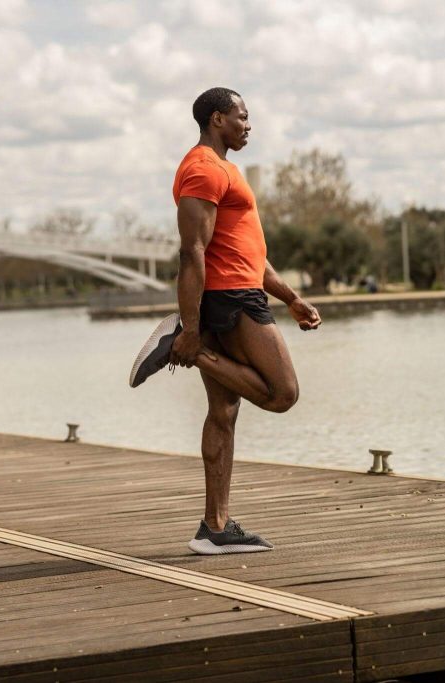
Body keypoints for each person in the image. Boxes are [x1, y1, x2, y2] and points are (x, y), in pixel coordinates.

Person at [129, 87, 321, 555]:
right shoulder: (203, 169)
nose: (248, 125)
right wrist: (193, 329)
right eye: (242, 116)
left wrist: (291, 298)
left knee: (224, 413)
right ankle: (189, 349)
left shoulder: (224, 170)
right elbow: (191, 251)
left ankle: (214, 527)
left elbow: (248, 251)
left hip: (239, 291)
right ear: (218, 119)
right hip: (231, 299)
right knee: (282, 394)